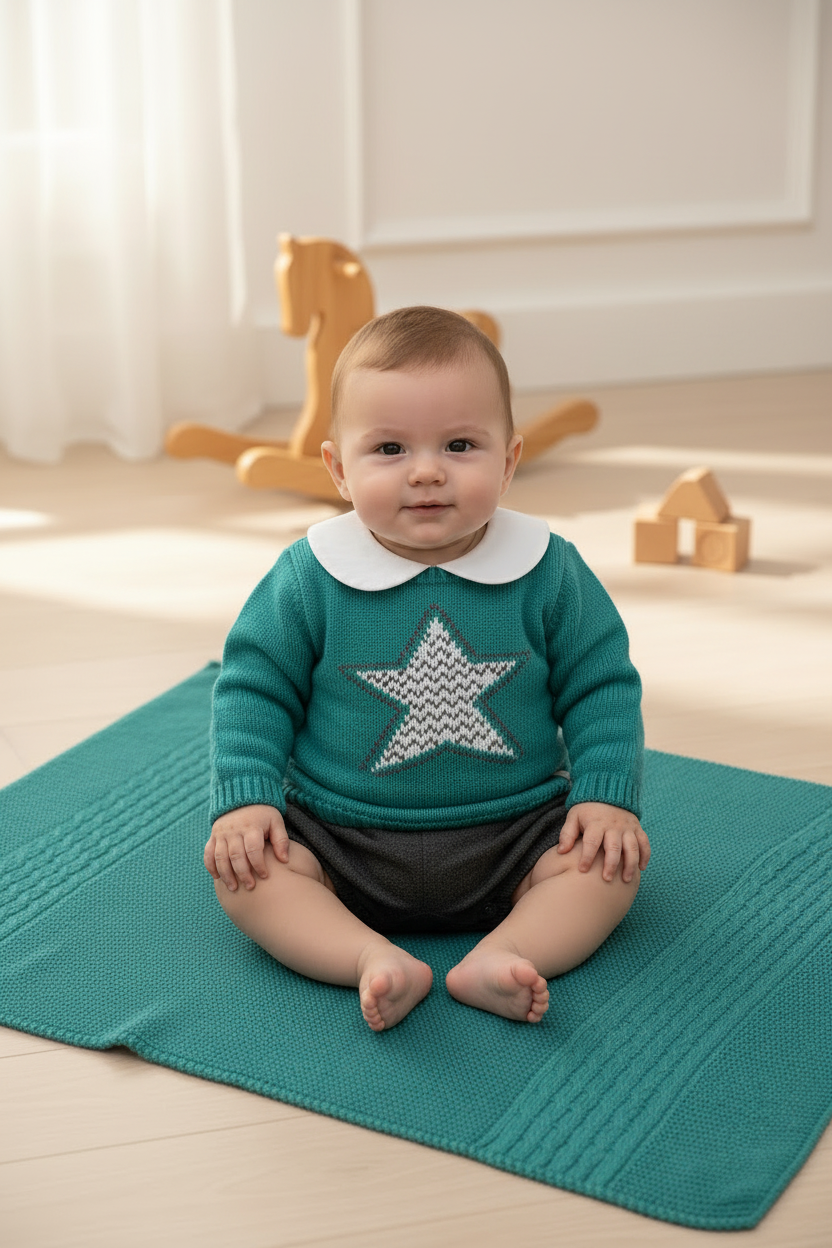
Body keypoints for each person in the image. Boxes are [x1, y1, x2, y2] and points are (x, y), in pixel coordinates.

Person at [205, 306, 651, 1033]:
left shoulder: (550, 571)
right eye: (388, 448)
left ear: (509, 460)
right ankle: (366, 957)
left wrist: (605, 799)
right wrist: (247, 799)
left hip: (518, 833)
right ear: (338, 469)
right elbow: (253, 688)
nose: (426, 472)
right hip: (339, 836)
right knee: (249, 879)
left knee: (610, 868)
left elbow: (603, 685)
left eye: (460, 444)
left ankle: (503, 956)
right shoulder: (308, 576)